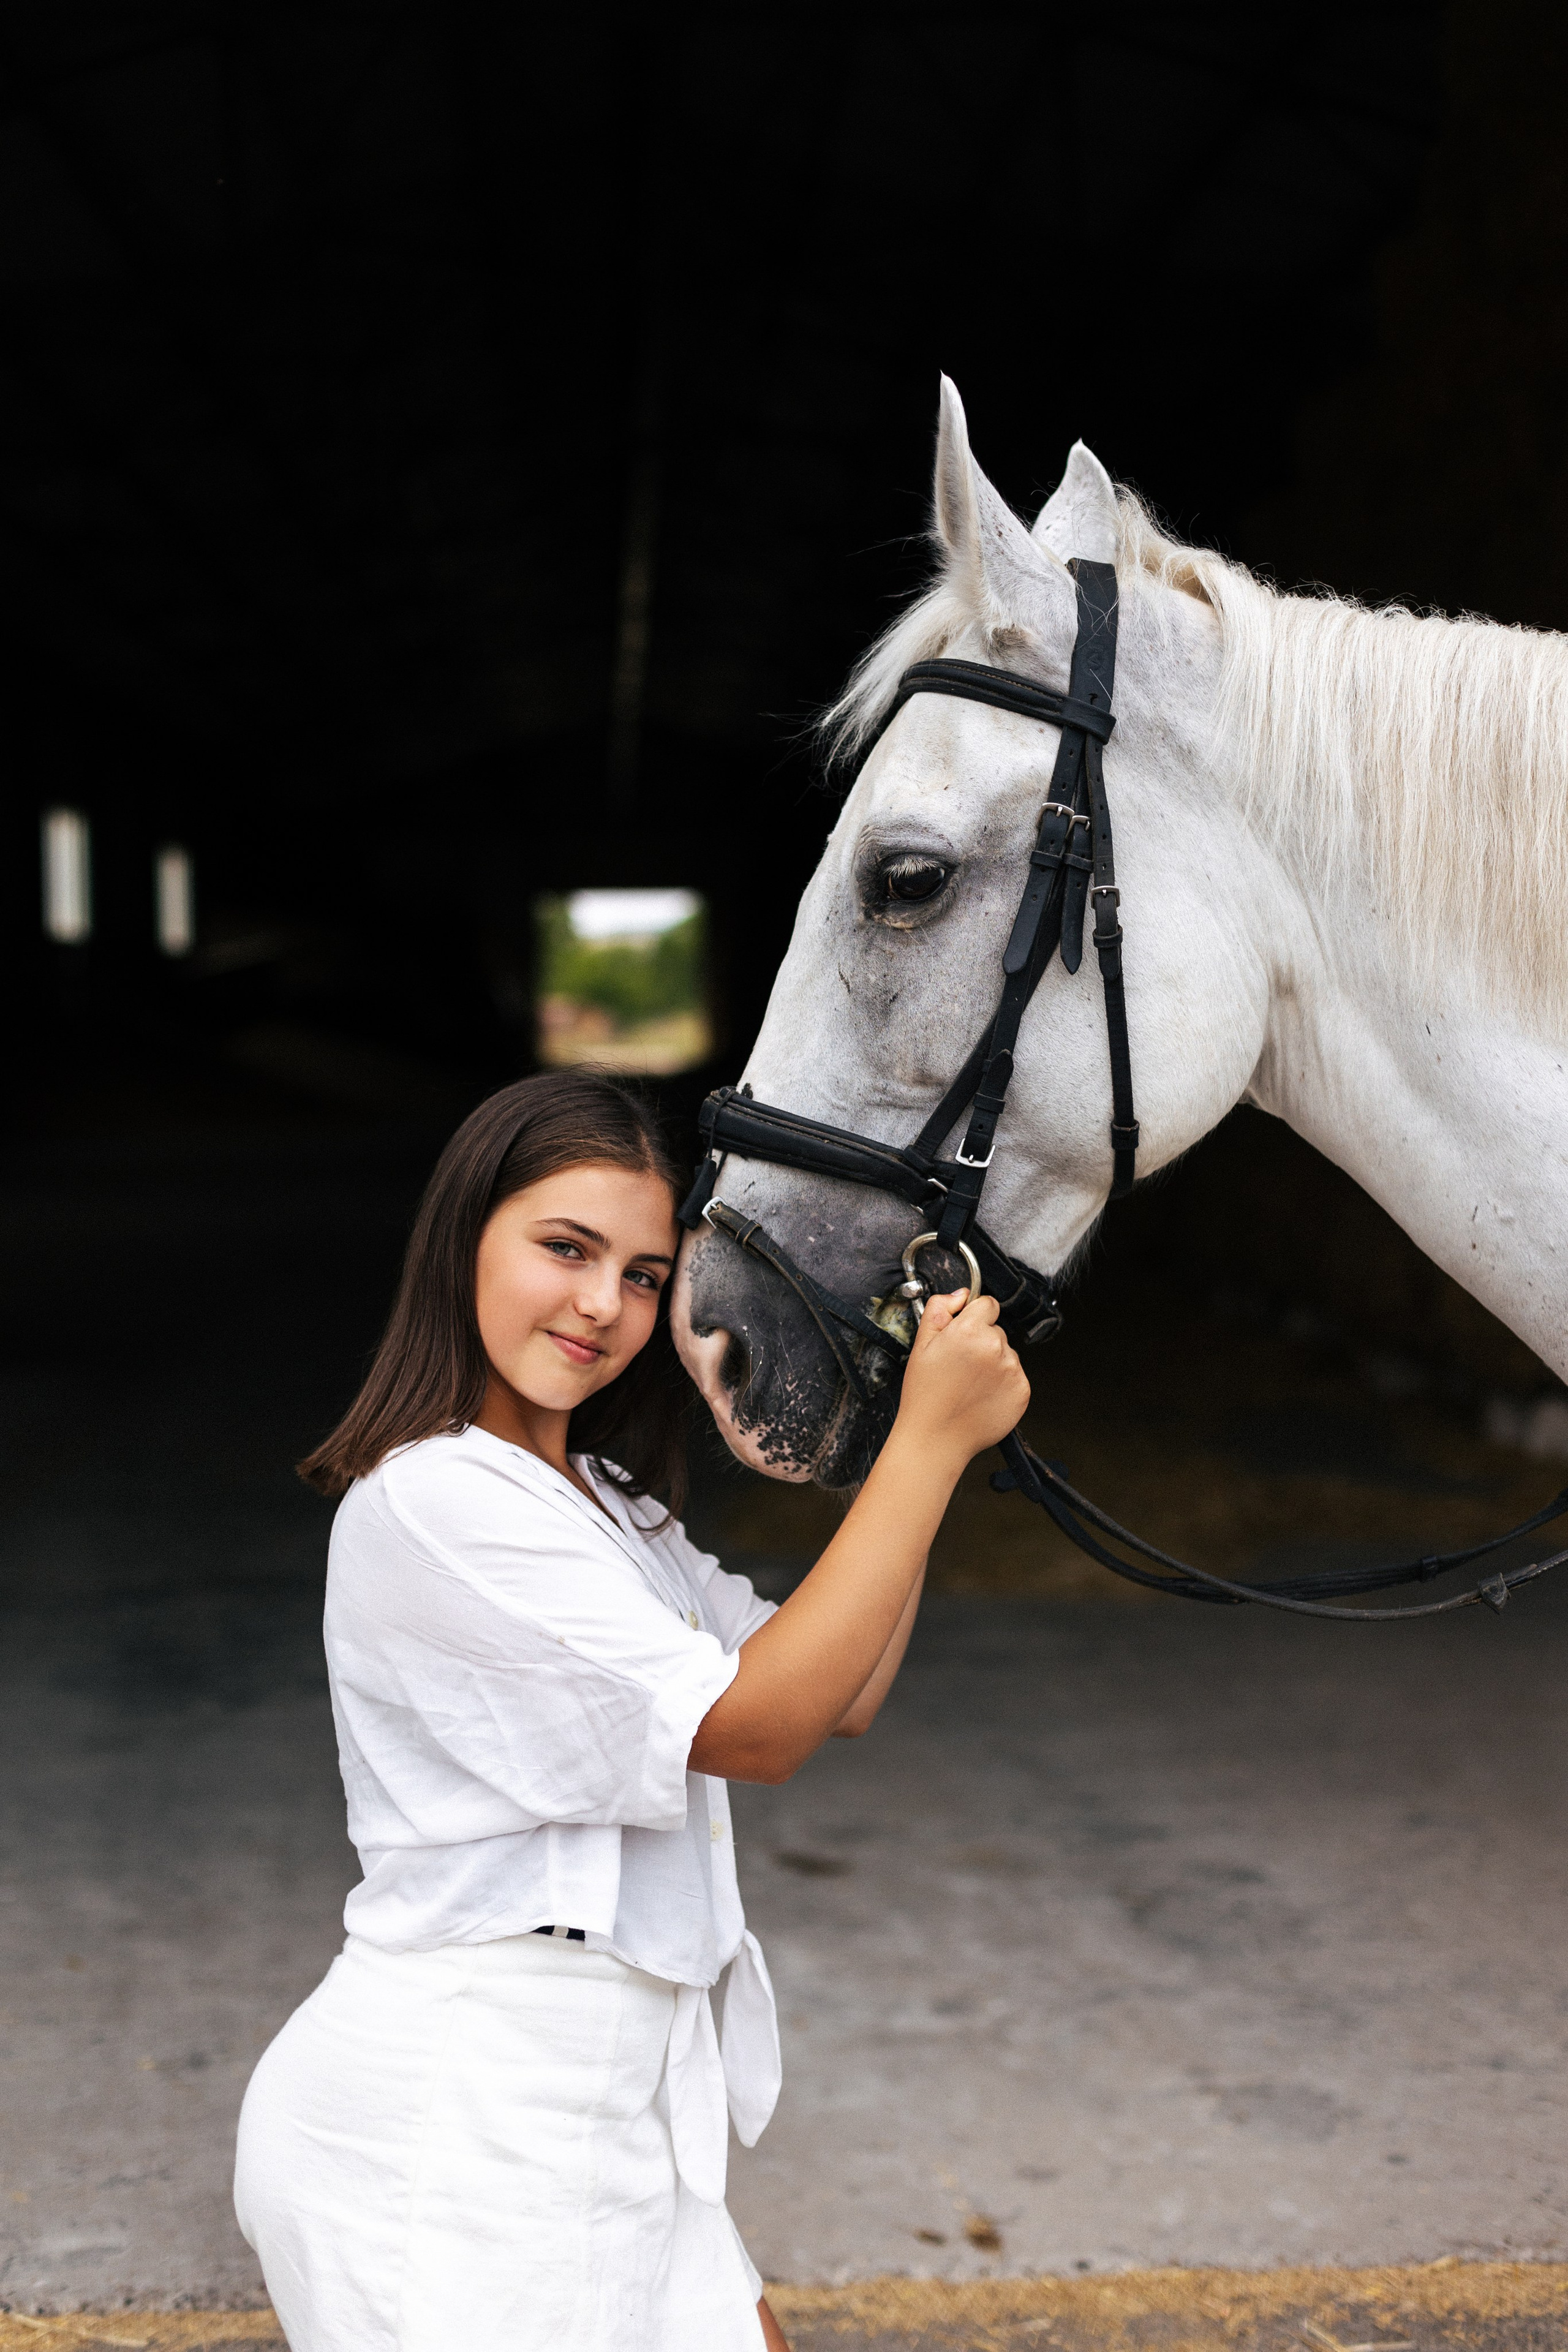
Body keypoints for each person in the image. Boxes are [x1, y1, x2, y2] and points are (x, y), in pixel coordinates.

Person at [233, 1068, 1028, 2352]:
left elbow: (843, 1689)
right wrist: (930, 1446)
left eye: (645, 1275)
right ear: (464, 1239)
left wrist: (904, 1437)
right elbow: (756, 1730)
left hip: (617, 2108)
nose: (605, 1304)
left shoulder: (613, 1506)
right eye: (566, 1248)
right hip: (456, 2127)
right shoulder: (434, 1501)